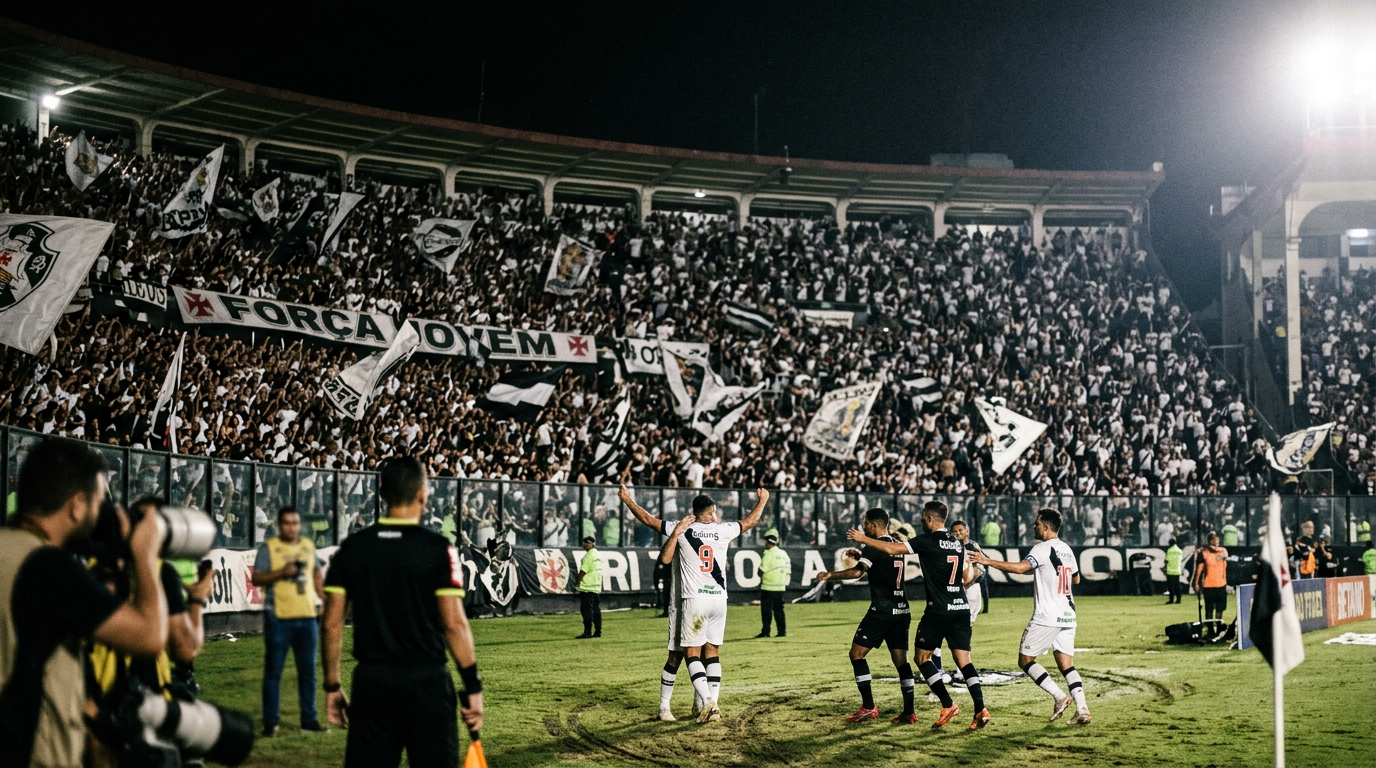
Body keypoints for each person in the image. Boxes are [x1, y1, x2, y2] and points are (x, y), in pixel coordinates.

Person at [0, 438, 169, 767]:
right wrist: (145, 555)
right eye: (99, 501)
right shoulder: (46, 566)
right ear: (77, 505)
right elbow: (150, 636)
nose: (101, 511)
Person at [322, 456, 482, 768]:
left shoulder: (353, 548)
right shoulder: (438, 549)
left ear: (382, 494)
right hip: (427, 682)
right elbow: (454, 624)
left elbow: (330, 624)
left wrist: (332, 685)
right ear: (423, 493)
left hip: (372, 683)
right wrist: (472, 686)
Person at [619, 485, 769, 724]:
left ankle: (705, 704)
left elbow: (648, 519)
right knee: (710, 653)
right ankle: (705, 704)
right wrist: (763, 500)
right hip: (719, 600)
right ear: (711, 512)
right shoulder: (723, 530)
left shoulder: (681, 527)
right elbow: (750, 521)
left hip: (691, 600)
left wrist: (627, 500)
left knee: (684, 655)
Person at [849, 501, 991, 731]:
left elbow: (892, 549)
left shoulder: (927, 540)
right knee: (965, 662)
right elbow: (967, 577)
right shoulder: (957, 542)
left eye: (923, 517)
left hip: (938, 610)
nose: (921, 521)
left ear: (929, 518)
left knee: (922, 658)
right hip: (961, 608)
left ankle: (948, 704)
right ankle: (980, 709)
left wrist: (862, 538)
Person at [970, 508, 1092, 726]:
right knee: (1067, 665)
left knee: (1025, 660)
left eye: (1037, 523)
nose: (1034, 526)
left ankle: (1059, 696)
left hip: (1047, 616)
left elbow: (1019, 568)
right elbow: (1076, 580)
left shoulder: (1042, 548)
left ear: (1045, 527)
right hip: (1068, 614)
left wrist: (987, 561)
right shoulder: (1066, 549)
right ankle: (1082, 709)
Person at [816, 508, 918, 725]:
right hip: (902, 610)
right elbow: (882, 563)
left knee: (857, 655)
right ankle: (909, 711)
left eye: (865, 523)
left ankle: (869, 707)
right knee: (902, 662)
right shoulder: (896, 544)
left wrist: (829, 575)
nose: (863, 526)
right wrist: (862, 555)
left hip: (881, 612)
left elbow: (856, 573)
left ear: (873, 524)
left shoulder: (873, 546)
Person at [252, 506, 327, 736]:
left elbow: (315, 572)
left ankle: (309, 721)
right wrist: (282, 573)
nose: (292, 528)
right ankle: (271, 723)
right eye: (287, 523)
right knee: (274, 672)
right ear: (278, 525)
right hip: (279, 617)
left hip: (306, 617)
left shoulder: (307, 545)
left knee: (309, 673)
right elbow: (256, 578)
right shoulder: (270, 548)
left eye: (295, 523)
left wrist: (324, 597)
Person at [654, 515, 700, 721]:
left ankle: (699, 704)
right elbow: (664, 559)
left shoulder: (715, 536)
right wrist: (676, 531)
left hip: (704, 606)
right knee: (676, 656)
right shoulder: (682, 534)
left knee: (704, 656)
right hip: (681, 604)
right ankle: (664, 707)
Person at [950, 521, 986, 626]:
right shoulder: (949, 547)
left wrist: (969, 582)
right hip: (955, 586)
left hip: (970, 587)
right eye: (954, 531)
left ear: (967, 531)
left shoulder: (972, 547)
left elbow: (981, 568)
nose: (957, 533)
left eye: (960, 530)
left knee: (968, 620)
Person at [757, 528, 791, 638]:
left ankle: (766, 632)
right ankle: (782, 631)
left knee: (766, 611)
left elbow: (761, 571)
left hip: (768, 587)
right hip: (780, 587)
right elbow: (788, 570)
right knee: (779, 610)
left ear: (768, 542)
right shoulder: (783, 553)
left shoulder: (768, 554)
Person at [1193, 532, 1229, 622]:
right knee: (1209, 609)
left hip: (1221, 584)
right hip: (1208, 585)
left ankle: (1218, 626)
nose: (1215, 541)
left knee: (1220, 608)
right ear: (1209, 541)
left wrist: (1213, 549)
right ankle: (1209, 628)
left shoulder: (1223, 550)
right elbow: (1199, 568)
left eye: (1217, 539)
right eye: (1213, 539)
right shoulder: (1204, 553)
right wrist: (1196, 582)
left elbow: (1224, 556)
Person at [574, 535, 603, 639]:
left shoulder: (588, 556)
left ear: (592, 544)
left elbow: (583, 571)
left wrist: (577, 582)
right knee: (596, 610)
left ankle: (587, 632)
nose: (584, 544)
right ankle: (598, 631)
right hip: (596, 587)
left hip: (587, 587)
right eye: (584, 542)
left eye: (587, 543)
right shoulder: (597, 554)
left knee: (586, 610)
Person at [1164, 538, 1183, 604]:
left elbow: (1167, 560)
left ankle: (1171, 600)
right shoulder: (1179, 551)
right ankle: (1178, 600)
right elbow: (1181, 560)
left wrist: (1165, 568)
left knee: (1171, 586)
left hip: (1170, 570)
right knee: (1177, 585)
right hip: (1177, 570)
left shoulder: (1169, 550)